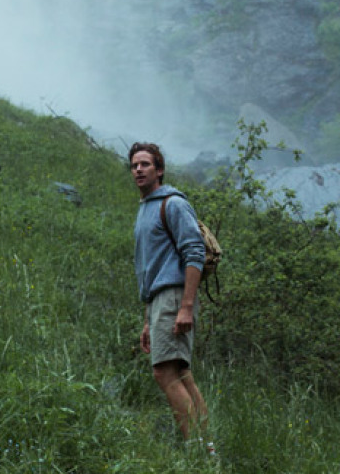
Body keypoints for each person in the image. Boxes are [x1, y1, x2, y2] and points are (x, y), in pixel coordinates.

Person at [129, 142, 214, 454]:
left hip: (175, 296)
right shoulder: (146, 208)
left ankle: (194, 449)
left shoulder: (173, 204)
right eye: (135, 165)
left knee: (164, 373)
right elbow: (153, 268)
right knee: (181, 373)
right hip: (159, 300)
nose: (138, 169)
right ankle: (207, 449)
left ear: (159, 170)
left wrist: (186, 307)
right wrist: (148, 320)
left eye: (145, 164)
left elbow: (194, 253)